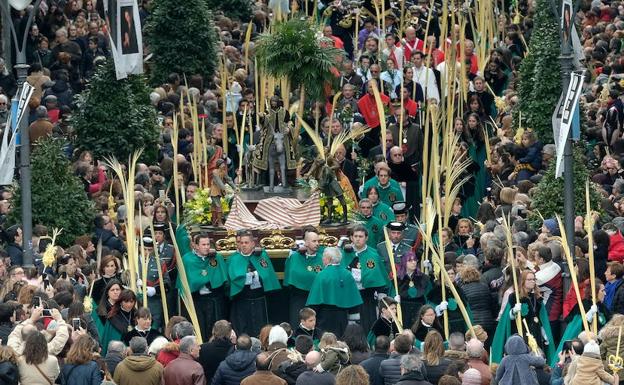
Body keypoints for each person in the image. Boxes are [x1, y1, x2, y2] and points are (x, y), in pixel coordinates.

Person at [491, 270, 555, 363]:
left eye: (534, 279)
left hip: (535, 332)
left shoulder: (536, 297)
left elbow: (540, 317)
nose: (532, 281)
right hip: (520, 333)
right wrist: (513, 311)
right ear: (523, 281)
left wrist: (543, 332)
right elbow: (508, 318)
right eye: (529, 279)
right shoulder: (514, 297)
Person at [228, 231, 281, 336]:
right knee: (244, 329)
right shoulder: (234, 259)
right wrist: (251, 275)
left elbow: (267, 274)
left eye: (246, 242)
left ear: (253, 244)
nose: (243, 245)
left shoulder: (261, 256)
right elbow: (234, 278)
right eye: (242, 242)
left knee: (261, 329)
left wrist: (255, 275)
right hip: (243, 300)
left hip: (259, 300)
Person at [180, 233, 228, 339]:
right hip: (197, 302)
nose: (206, 247)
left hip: (214, 301)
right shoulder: (187, 259)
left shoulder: (216, 257)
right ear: (196, 246)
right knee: (200, 330)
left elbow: (223, 279)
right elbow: (186, 281)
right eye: (203, 245)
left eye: (208, 244)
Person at [306, 247, 363, 337]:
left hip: (324, 318)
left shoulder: (322, 275)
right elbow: (353, 300)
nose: (322, 259)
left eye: (324, 257)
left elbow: (314, 302)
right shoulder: (347, 274)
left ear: (328, 259)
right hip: (343, 318)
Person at [343, 225, 389, 332]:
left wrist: (382, 300)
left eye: (361, 236)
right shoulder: (344, 253)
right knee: (351, 326)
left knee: (367, 325)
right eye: (355, 236)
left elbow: (381, 279)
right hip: (349, 295)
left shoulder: (373, 255)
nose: (358, 239)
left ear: (366, 238)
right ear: (351, 238)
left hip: (367, 297)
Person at [284, 228, 325, 327]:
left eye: (318, 241)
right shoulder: (295, 257)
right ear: (306, 243)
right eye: (314, 241)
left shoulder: (323, 258)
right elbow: (290, 275)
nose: (317, 244)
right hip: (299, 298)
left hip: (316, 299)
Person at [396, 251, 431, 328]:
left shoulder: (424, 278)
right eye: (410, 260)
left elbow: (429, 296)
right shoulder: (397, 280)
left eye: (415, 260)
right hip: (404, 311)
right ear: (404, 262)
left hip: (419, 311)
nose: (414, 262)